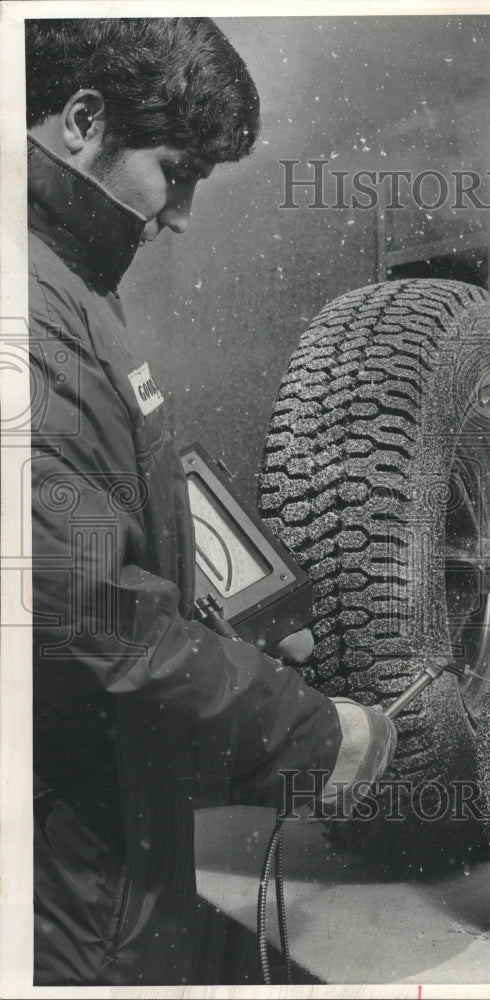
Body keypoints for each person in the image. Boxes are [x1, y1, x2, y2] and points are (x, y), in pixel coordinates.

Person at [26, 18, 397, 986]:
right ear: (81, 119)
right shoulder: (28, 314)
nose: (183, 212)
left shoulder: (70, 284)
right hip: (64, 895)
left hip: (96, 854)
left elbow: (93, 518)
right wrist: (321, 734)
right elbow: (102, 634)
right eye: (176, 170)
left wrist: (228, 623)